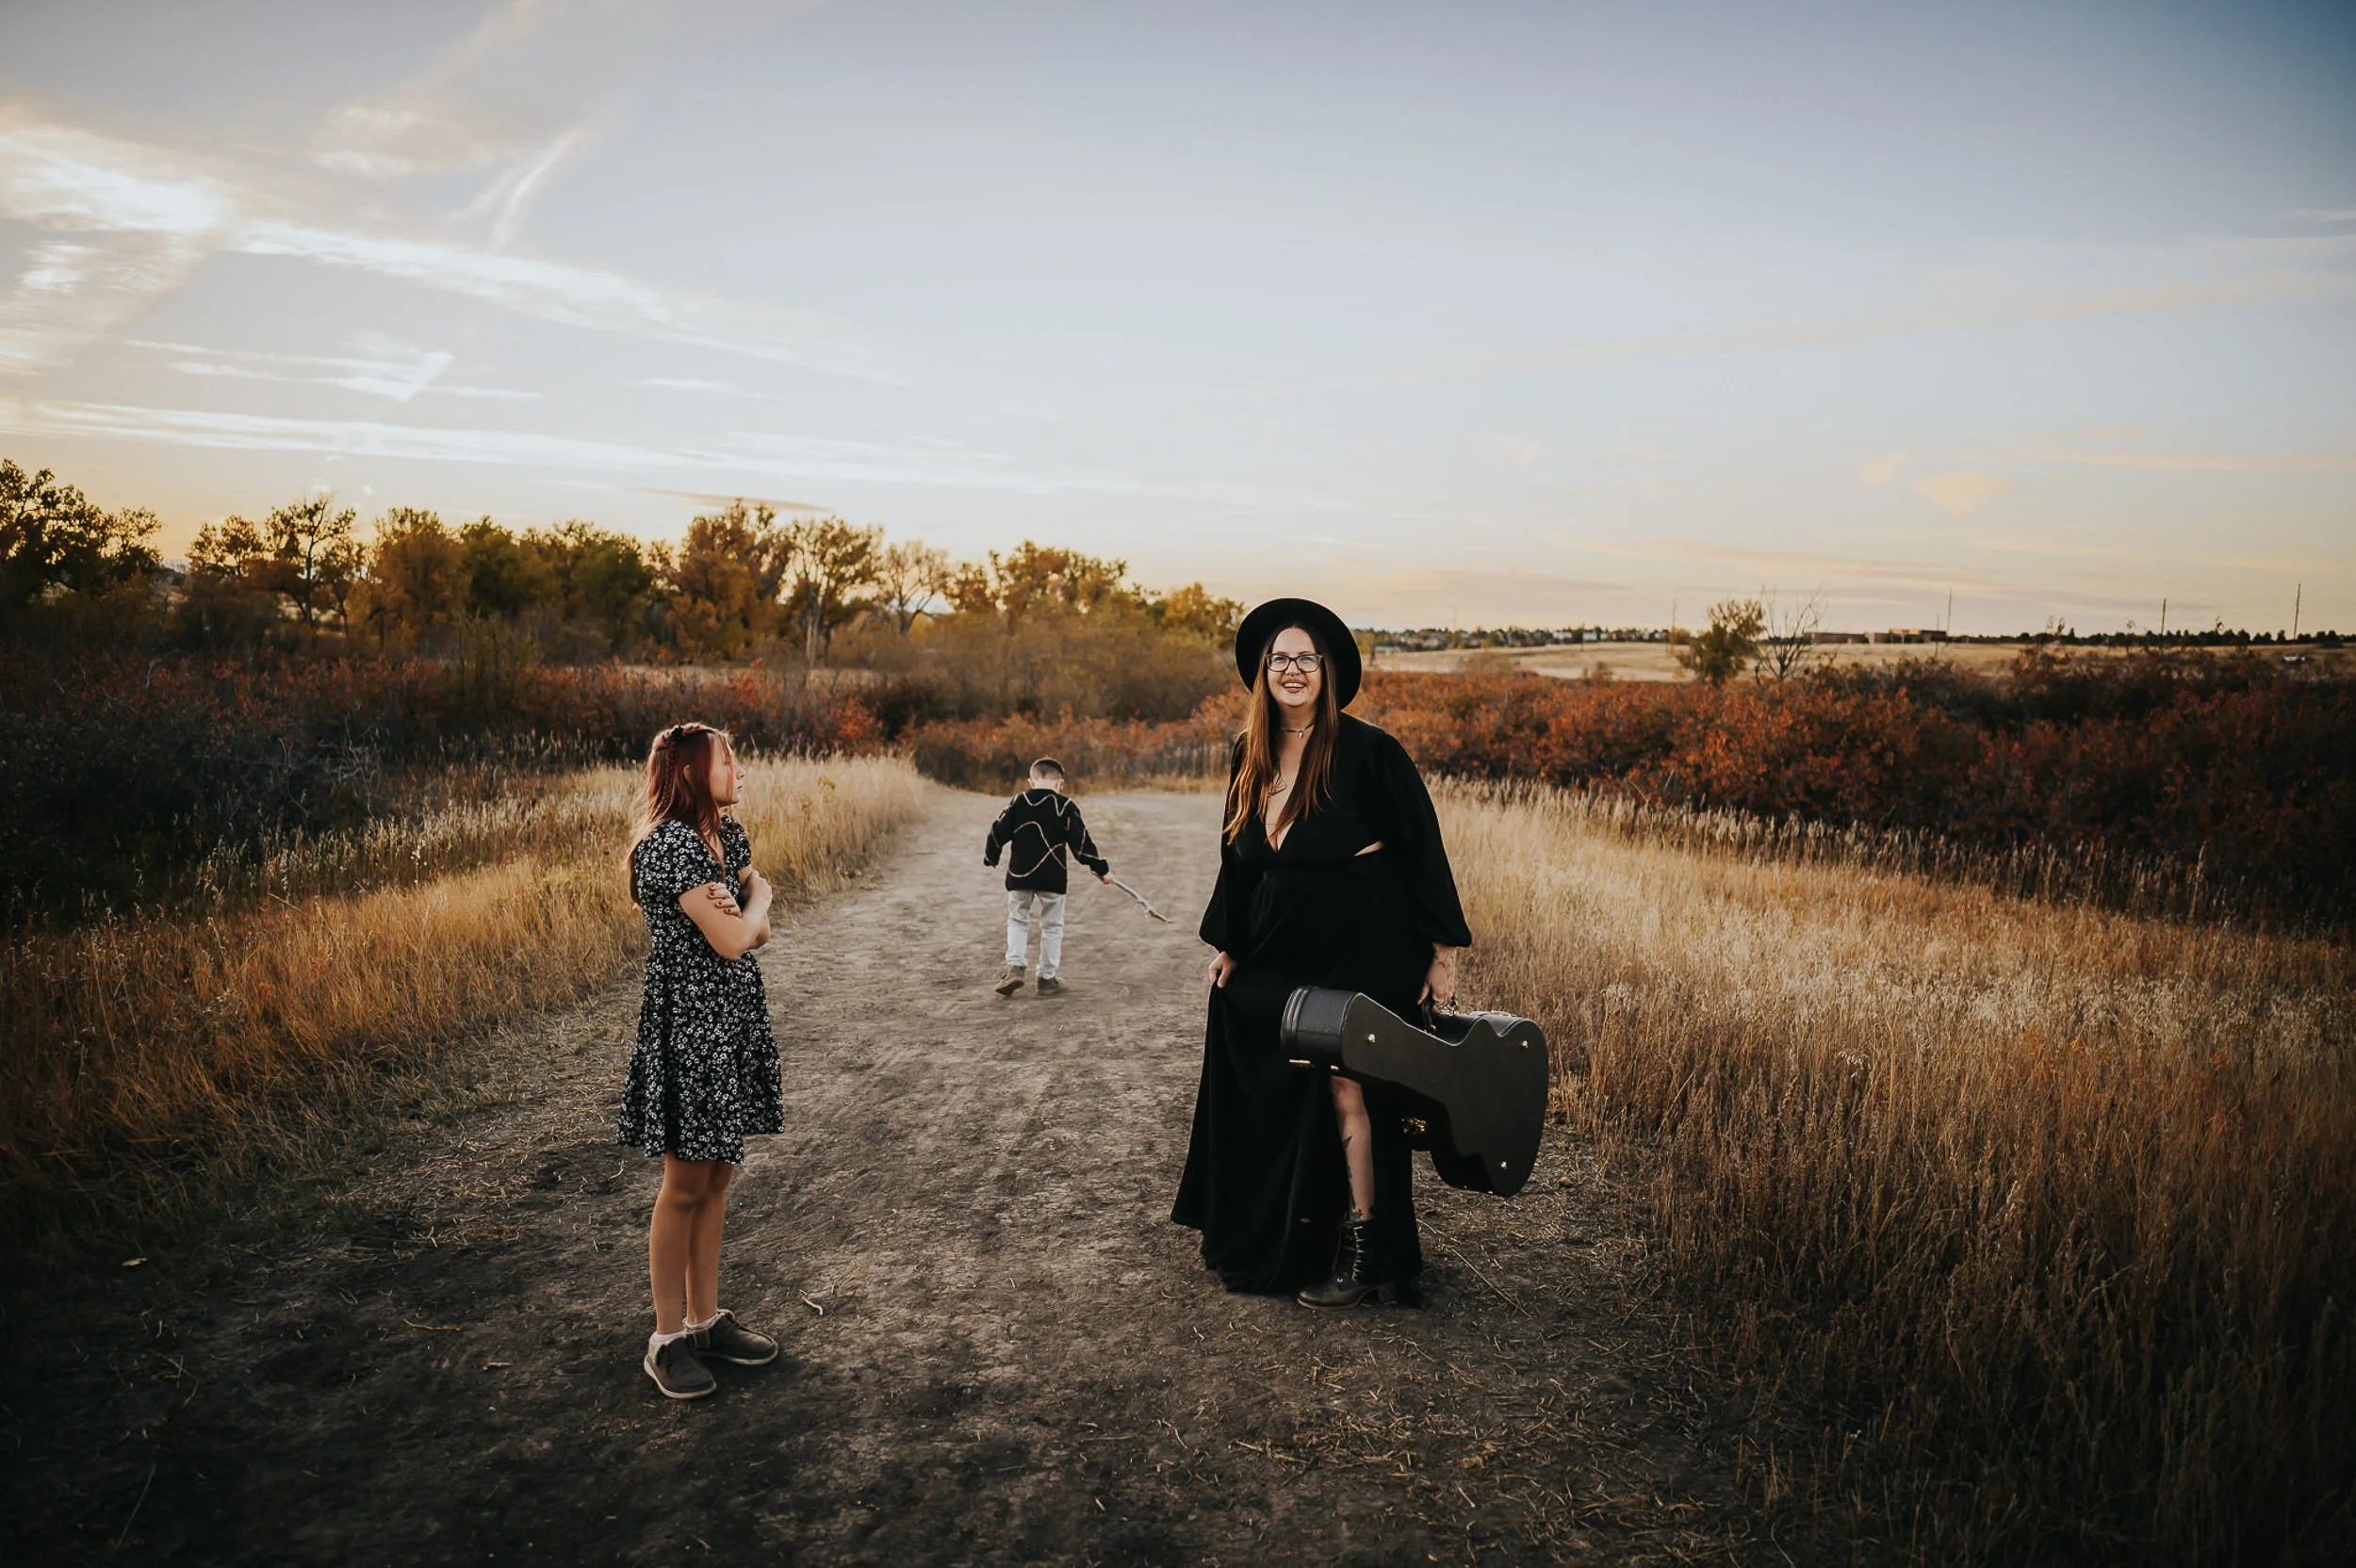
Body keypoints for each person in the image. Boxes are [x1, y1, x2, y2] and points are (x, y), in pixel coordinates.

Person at [1171, 600, 1472, 1307]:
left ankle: (1369, 1250)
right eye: (1280, 659)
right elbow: (1238, 861)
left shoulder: (1371, 752)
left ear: (1328, 670)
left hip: (1361, 946)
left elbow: (1423, 850)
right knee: (1238, 1021)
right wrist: (1233, 948)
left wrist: (1443, 952)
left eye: (1307, 658)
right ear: (1263, 674)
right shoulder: (1251, 755)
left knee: (1345, 1075)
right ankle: (1275, 1225)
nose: (1293, 670)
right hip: (1280, 951)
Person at [617, 722, 786, 1399]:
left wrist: (750, 912)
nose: (740, 769)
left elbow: (754, 932)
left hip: (731, 1022)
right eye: (728, 760)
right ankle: (666, 1341)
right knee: (683, 1186)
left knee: (717, 1178)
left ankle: (706, 1320)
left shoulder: (726, 837)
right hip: (689, 1029)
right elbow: (734, 937)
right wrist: (758, 899)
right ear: (689, 772)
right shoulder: (669, 848)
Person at [984, 756, 1112, 997]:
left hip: (1020, 874)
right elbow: (1082, 843)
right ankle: (1046, 979)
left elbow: (996, 832)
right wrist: (1101, 869)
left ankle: (1016, 966)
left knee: (1017, 919)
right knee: (1052, 926)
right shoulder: (1065, 806)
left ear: (1030, 781)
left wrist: (991, 856)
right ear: (1059, 783)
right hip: (1053, 877)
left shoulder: (1018, 801)